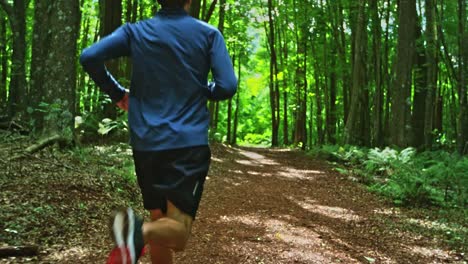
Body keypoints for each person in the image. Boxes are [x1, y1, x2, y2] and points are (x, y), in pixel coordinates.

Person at [79, 0, 237, 263]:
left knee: (160, 219)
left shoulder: (135, 32)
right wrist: (205, 90)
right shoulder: (208, 34)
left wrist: (117, 93)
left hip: (146, 142)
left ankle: (139, 232)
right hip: (187, 143)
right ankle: (136, 232)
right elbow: (227, 86)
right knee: (178, 234)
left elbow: (89, 56)